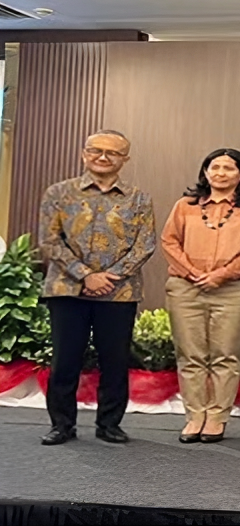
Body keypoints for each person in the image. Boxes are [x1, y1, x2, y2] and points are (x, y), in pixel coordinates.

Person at [37, 129, 156, 446]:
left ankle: (109, 424)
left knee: (115, 362)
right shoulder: (58, 193)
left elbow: (144, 246)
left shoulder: (139, 199)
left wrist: (108, 277)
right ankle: (62, 425)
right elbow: (49, 241)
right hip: (67, 289)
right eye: (95, 150)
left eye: (112, 153)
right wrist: (85, 275)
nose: (103, 157)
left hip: (119, 293)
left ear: (125, 159)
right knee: (65, 361)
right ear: (84, 153)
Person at [161, 148, 240, 444]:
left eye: (228, 168)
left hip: (234, 289)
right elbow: (169, 241)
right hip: (186, 287)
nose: (220, 173)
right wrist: (192, 272)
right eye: (214, 167)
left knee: (226, 356)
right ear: (205, 172)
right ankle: (195, 416)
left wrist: (221, 275)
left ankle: (217, 418)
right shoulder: (185, 205)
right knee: (190, 355)